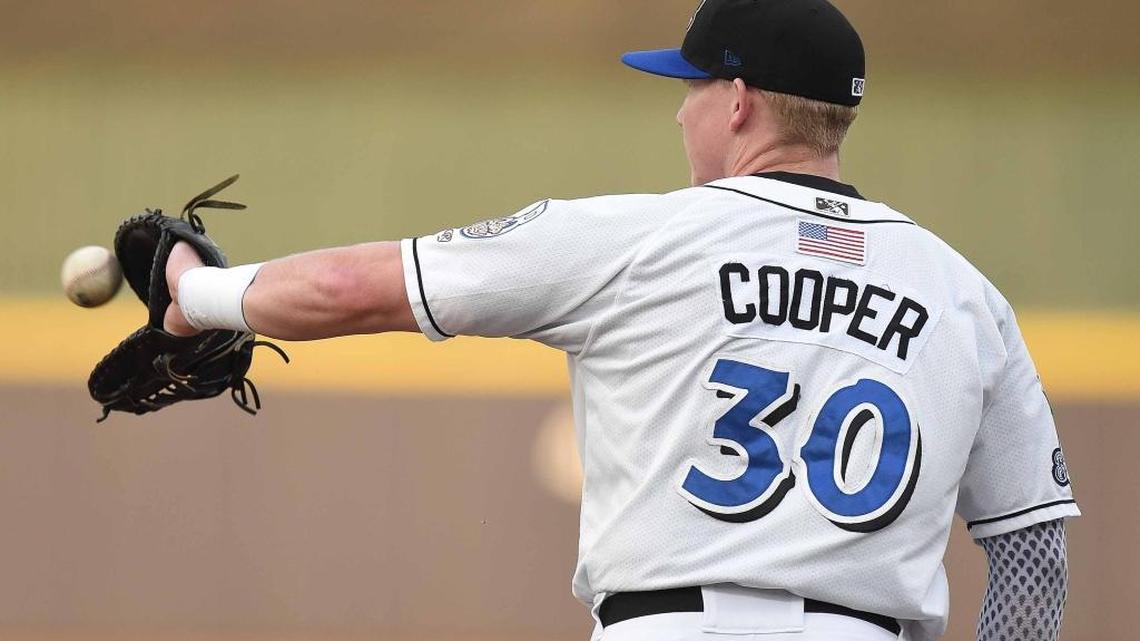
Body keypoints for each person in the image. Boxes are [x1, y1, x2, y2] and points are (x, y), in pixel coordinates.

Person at [161, 0, 1079, 639]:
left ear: (738, 99)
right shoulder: (966, 296)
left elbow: (359, 286)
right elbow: (1033, 550)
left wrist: (193, 293)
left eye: (688, 89)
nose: (681, 114)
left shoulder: (633, 240)